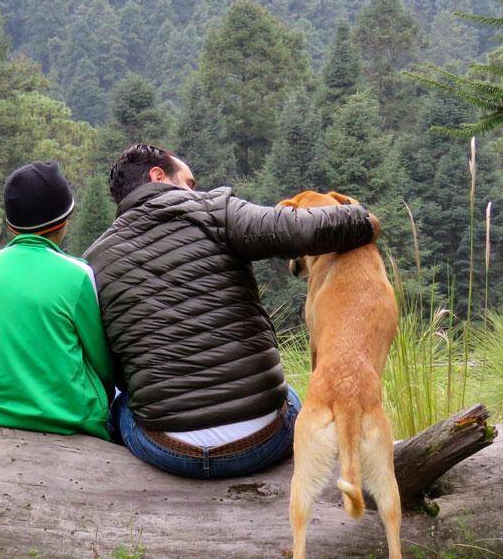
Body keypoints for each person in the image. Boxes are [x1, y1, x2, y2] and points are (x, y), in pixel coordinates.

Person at [84, 144, 379, 478]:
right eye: (188, 182)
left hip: (168, 450)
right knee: (288, 394)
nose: (194, 190)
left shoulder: (96, 259)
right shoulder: (213, 210)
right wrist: (364, 222)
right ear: (157, 176)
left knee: (121, 398)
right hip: (262, 441)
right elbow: (299, 227)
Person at [0, 161, 114, 439]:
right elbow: (101, 361)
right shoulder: (77, 274)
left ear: (11, 227)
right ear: (63, 223)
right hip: (67, 418)